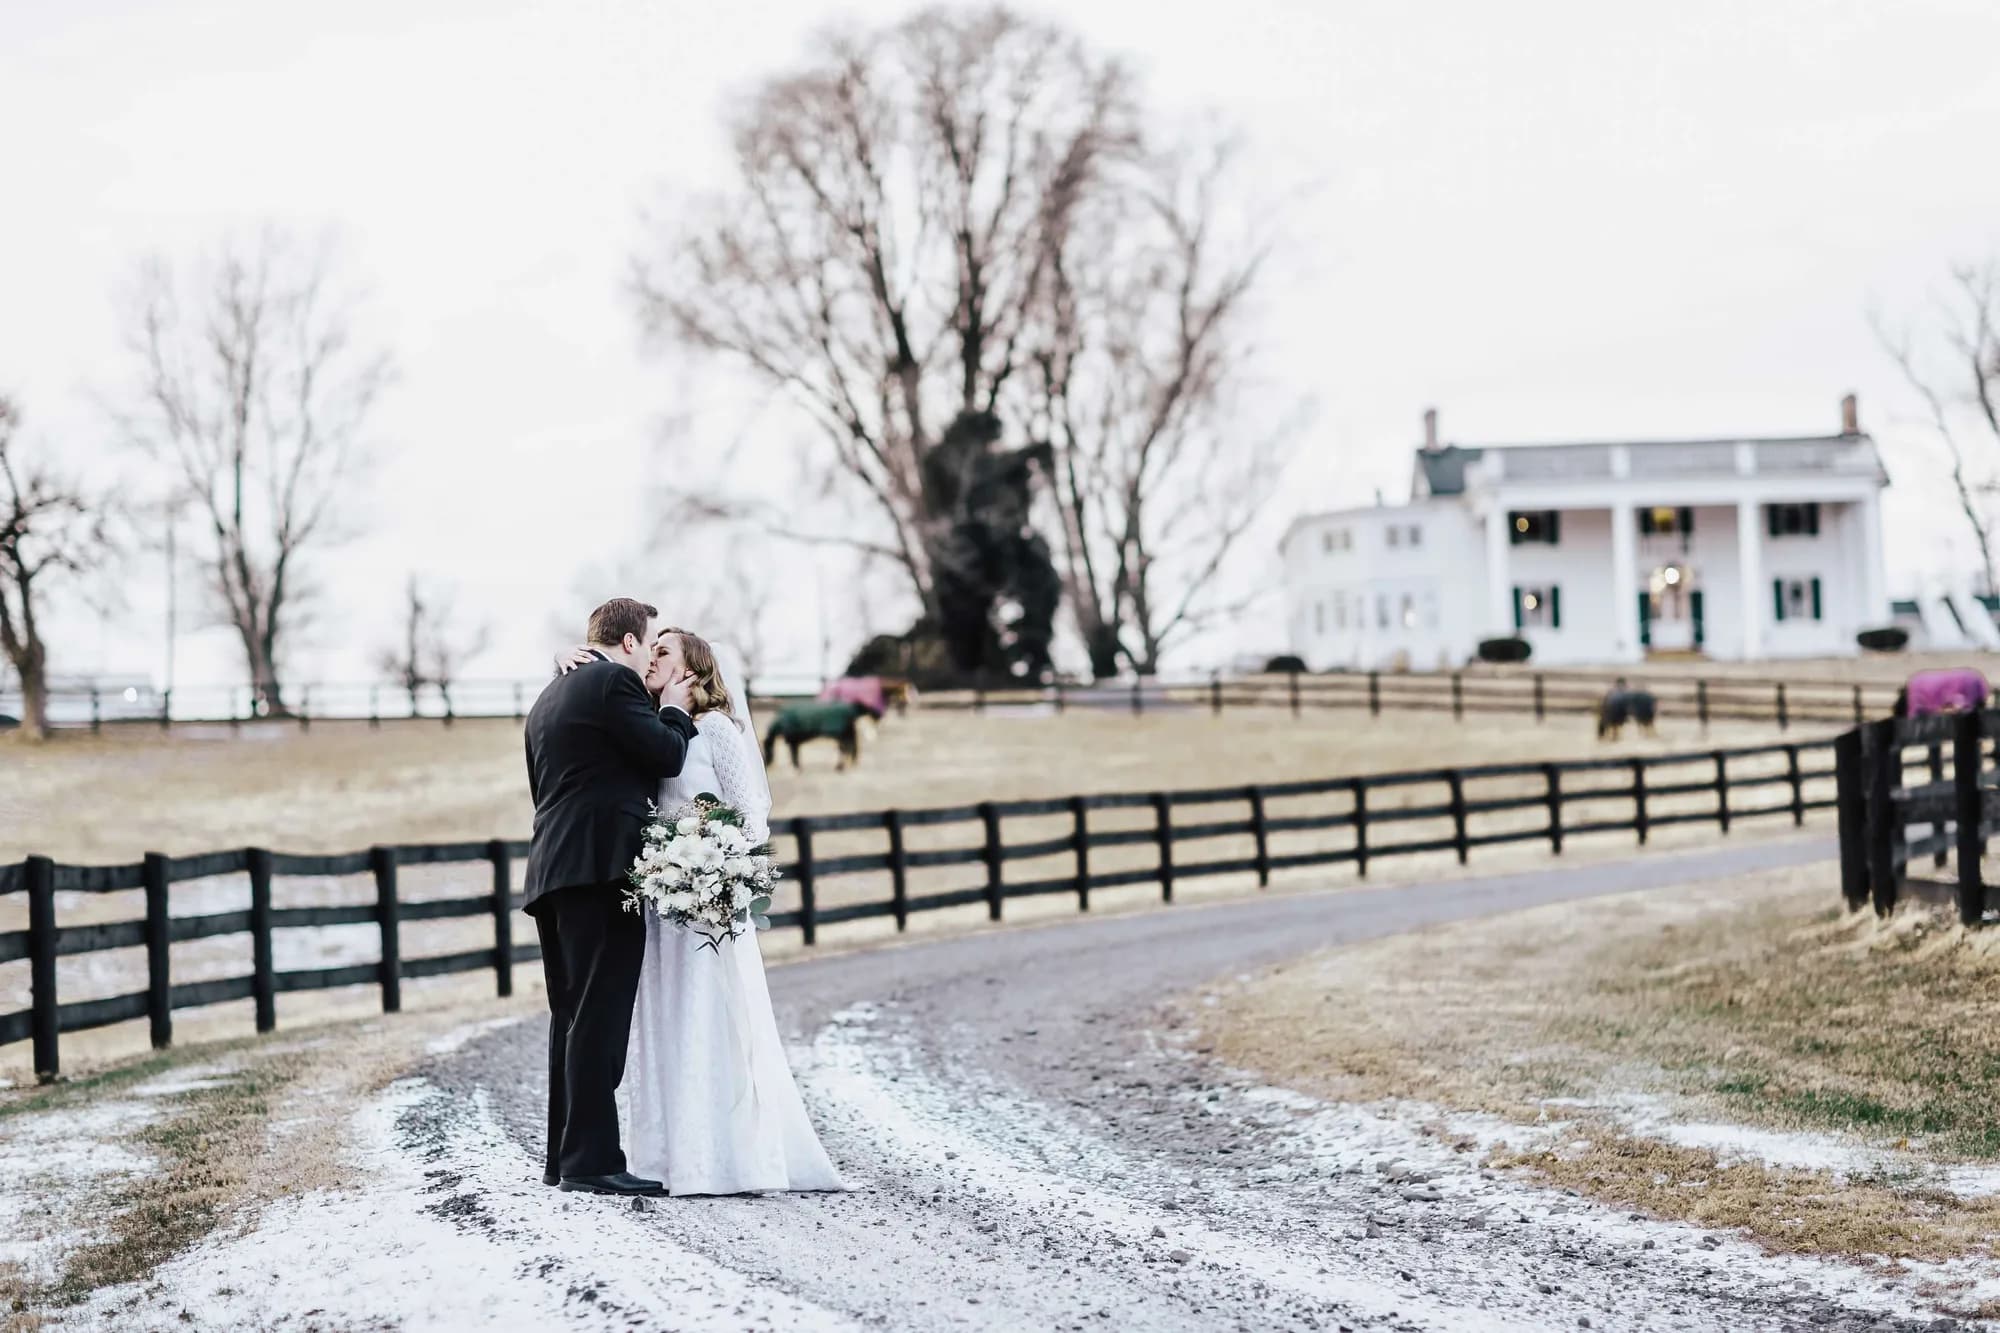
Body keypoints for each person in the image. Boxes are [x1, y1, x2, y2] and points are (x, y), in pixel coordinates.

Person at [559, 627, 846, 1195]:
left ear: (692, 670)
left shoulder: (716, 730)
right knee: (667, 1019)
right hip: (664, 905)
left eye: (663, 652)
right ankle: (671, 1156)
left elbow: (751, 813)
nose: (651, 658)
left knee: (712, 1015)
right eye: (650, 648)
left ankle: (729, 1157)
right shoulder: (649, 723)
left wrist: (719, 869)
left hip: (708, 903)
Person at [523, 597, 698, 1197]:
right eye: (651, 643)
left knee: (571, 1015)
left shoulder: (549, 697)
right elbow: (667, 755)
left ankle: (564, 1157)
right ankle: (593, 1161)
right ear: (628, 643)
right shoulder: (611, 684)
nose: (653, 654)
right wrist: (674, 710)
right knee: (600, 1015)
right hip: (604, 870)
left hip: (553, 871)